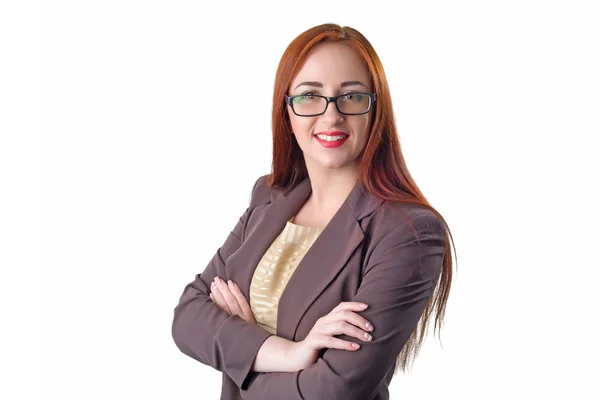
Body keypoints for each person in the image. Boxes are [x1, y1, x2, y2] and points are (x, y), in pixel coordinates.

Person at [171, 23, 455, 400]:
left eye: (351, 96)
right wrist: (289, 354)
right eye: (309, 97)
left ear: (375, 109)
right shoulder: (269, 197)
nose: (331, 117)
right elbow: (188, 317)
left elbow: (333, 390)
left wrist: (241, 347)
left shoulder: (408, 233)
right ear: (286, 110)